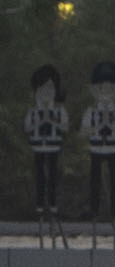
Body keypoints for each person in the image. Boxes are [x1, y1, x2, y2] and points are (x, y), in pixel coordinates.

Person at [79, 60, 115, 229]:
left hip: (114, 149)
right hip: (96, 149)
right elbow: (84, 132)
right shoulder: (91, 111)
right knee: (94, 181)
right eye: (103, 89)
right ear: (95, 90)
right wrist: (100, 125)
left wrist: (112, 124)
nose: (106, 92)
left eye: (111, 89)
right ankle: (93, 209)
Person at [21, 64, 61, 214]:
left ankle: (52, 202)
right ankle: (39, 203)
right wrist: (40, 120)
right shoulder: (32, 112)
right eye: (42, 88)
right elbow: (27, 128)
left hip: (53, 147)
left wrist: (50, 120)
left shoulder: (57, 111)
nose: (46, 92)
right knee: (39, 176)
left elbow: (63, 127)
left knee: (52, 176)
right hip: (38, 147)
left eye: (50, 88)